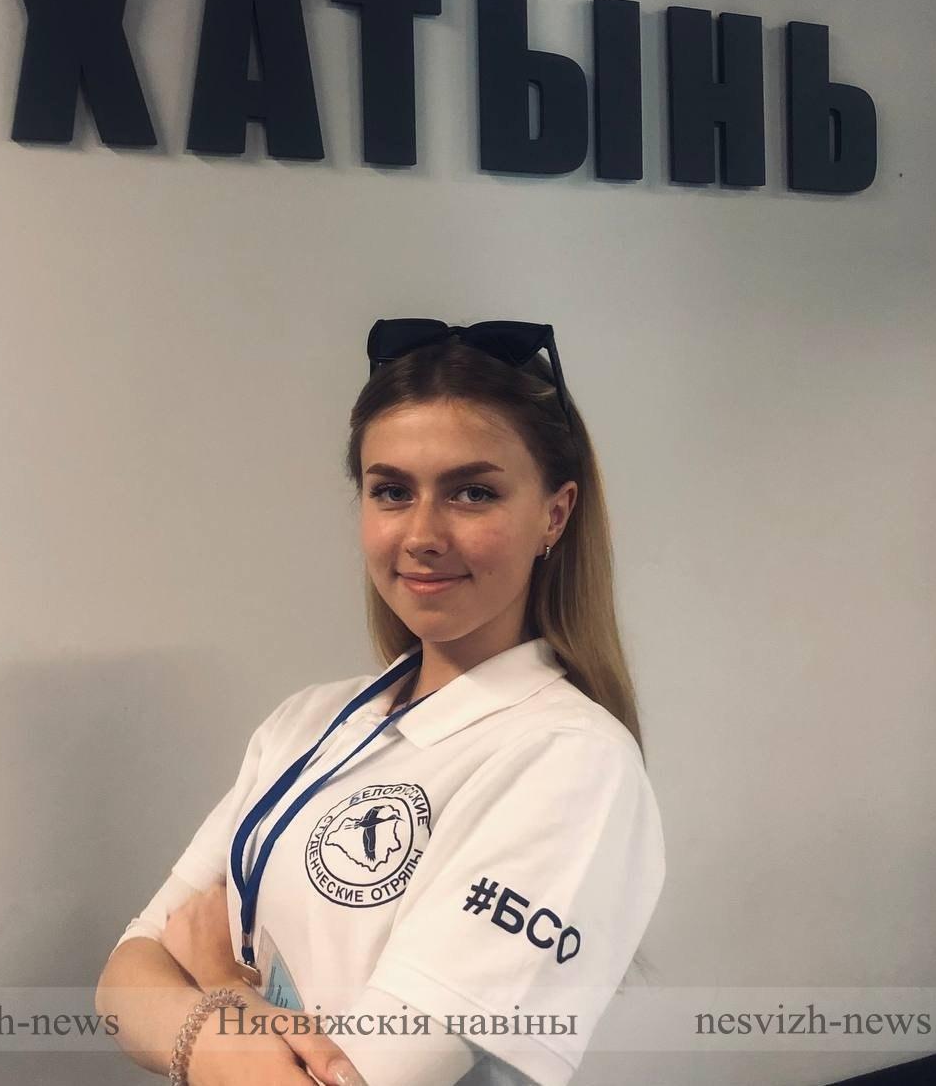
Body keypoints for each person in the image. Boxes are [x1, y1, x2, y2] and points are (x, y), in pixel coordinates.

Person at [95, 319, 666, 1086]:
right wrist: (227, 1028)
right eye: (392, 491)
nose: (422, 533)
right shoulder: (307, 722)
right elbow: (124, 976)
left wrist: (220, 987)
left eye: (472, 492)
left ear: (553, 515)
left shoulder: (572, 761)